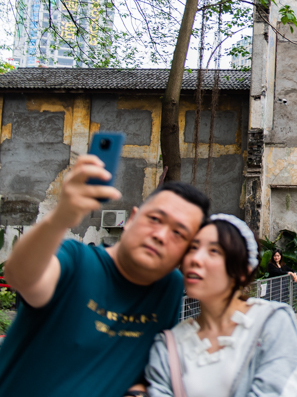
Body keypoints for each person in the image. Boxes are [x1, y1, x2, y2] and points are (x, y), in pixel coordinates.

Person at [0, 154, 210, 397]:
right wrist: (60, 218)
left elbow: (150, 366)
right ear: (131, 219)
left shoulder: (169, 288)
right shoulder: (77, 261)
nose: (161, 235)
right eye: (154, 219)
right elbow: (21, 276)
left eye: (179, 233)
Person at [145, 214, 297, 397]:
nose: (195, 259)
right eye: (192, 248)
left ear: (243, 270)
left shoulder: (271, 323)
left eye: (213, 251)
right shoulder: (168, 346)